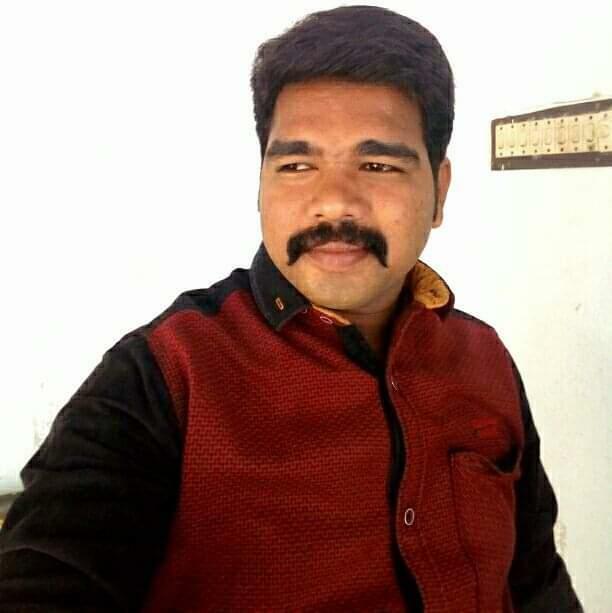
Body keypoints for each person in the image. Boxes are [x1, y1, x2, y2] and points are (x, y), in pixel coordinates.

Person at [0, 5, 582, 612]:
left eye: (378, 165)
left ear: (439, 192)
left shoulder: (484, 359)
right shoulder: (164, 376)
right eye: (297, 166)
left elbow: (537, 582)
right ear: (261, 187)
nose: (334, 201)